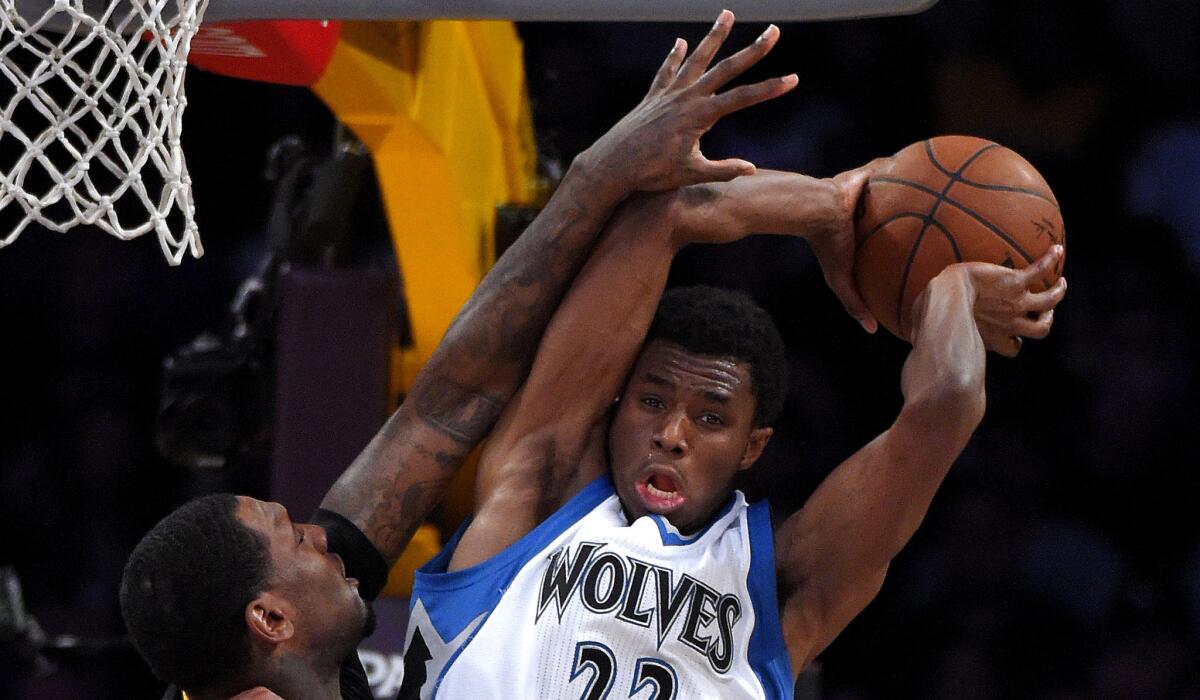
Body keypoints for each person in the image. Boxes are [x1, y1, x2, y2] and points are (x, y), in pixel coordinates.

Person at [117, 12, 810, 700]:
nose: (322, 538)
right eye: (298, 539)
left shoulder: (295, 658)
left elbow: (447, 406)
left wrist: (598, 176)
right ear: (270, 618)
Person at [397, 157, 1068, 697]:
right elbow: (662, 220)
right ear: (614, 405)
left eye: (711, 417)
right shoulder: (536, 499)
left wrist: (949, 289)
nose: (673, 435)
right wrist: (825, 204)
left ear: (754, 448)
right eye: (652, 402)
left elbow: (948, 399)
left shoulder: (781, 585)